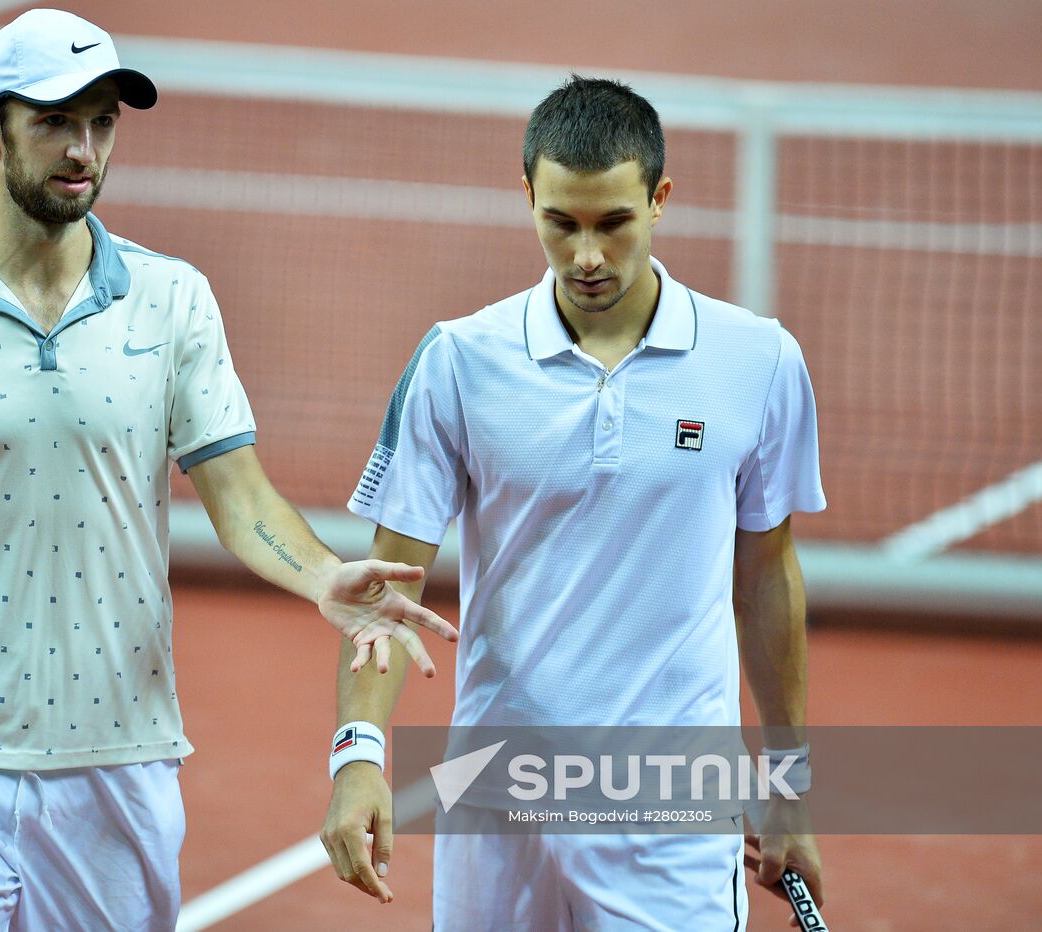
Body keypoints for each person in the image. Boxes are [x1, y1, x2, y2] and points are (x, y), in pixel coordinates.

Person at [0, 9, 456, 930]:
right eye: (56, 121)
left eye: (102, 123)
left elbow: (238, 491)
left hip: (118, 760)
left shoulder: (174, 301)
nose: (84, 150)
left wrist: (323, 576)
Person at [321, 75, 827, 929]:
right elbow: (388, 587)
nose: (587, 255)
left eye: (612, 223)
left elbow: (766, 576)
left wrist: (790, 783)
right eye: (561, 223)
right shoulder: (458, 361)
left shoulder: (759, 362)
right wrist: (357, 754)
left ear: (660, 200)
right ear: (527, 197)